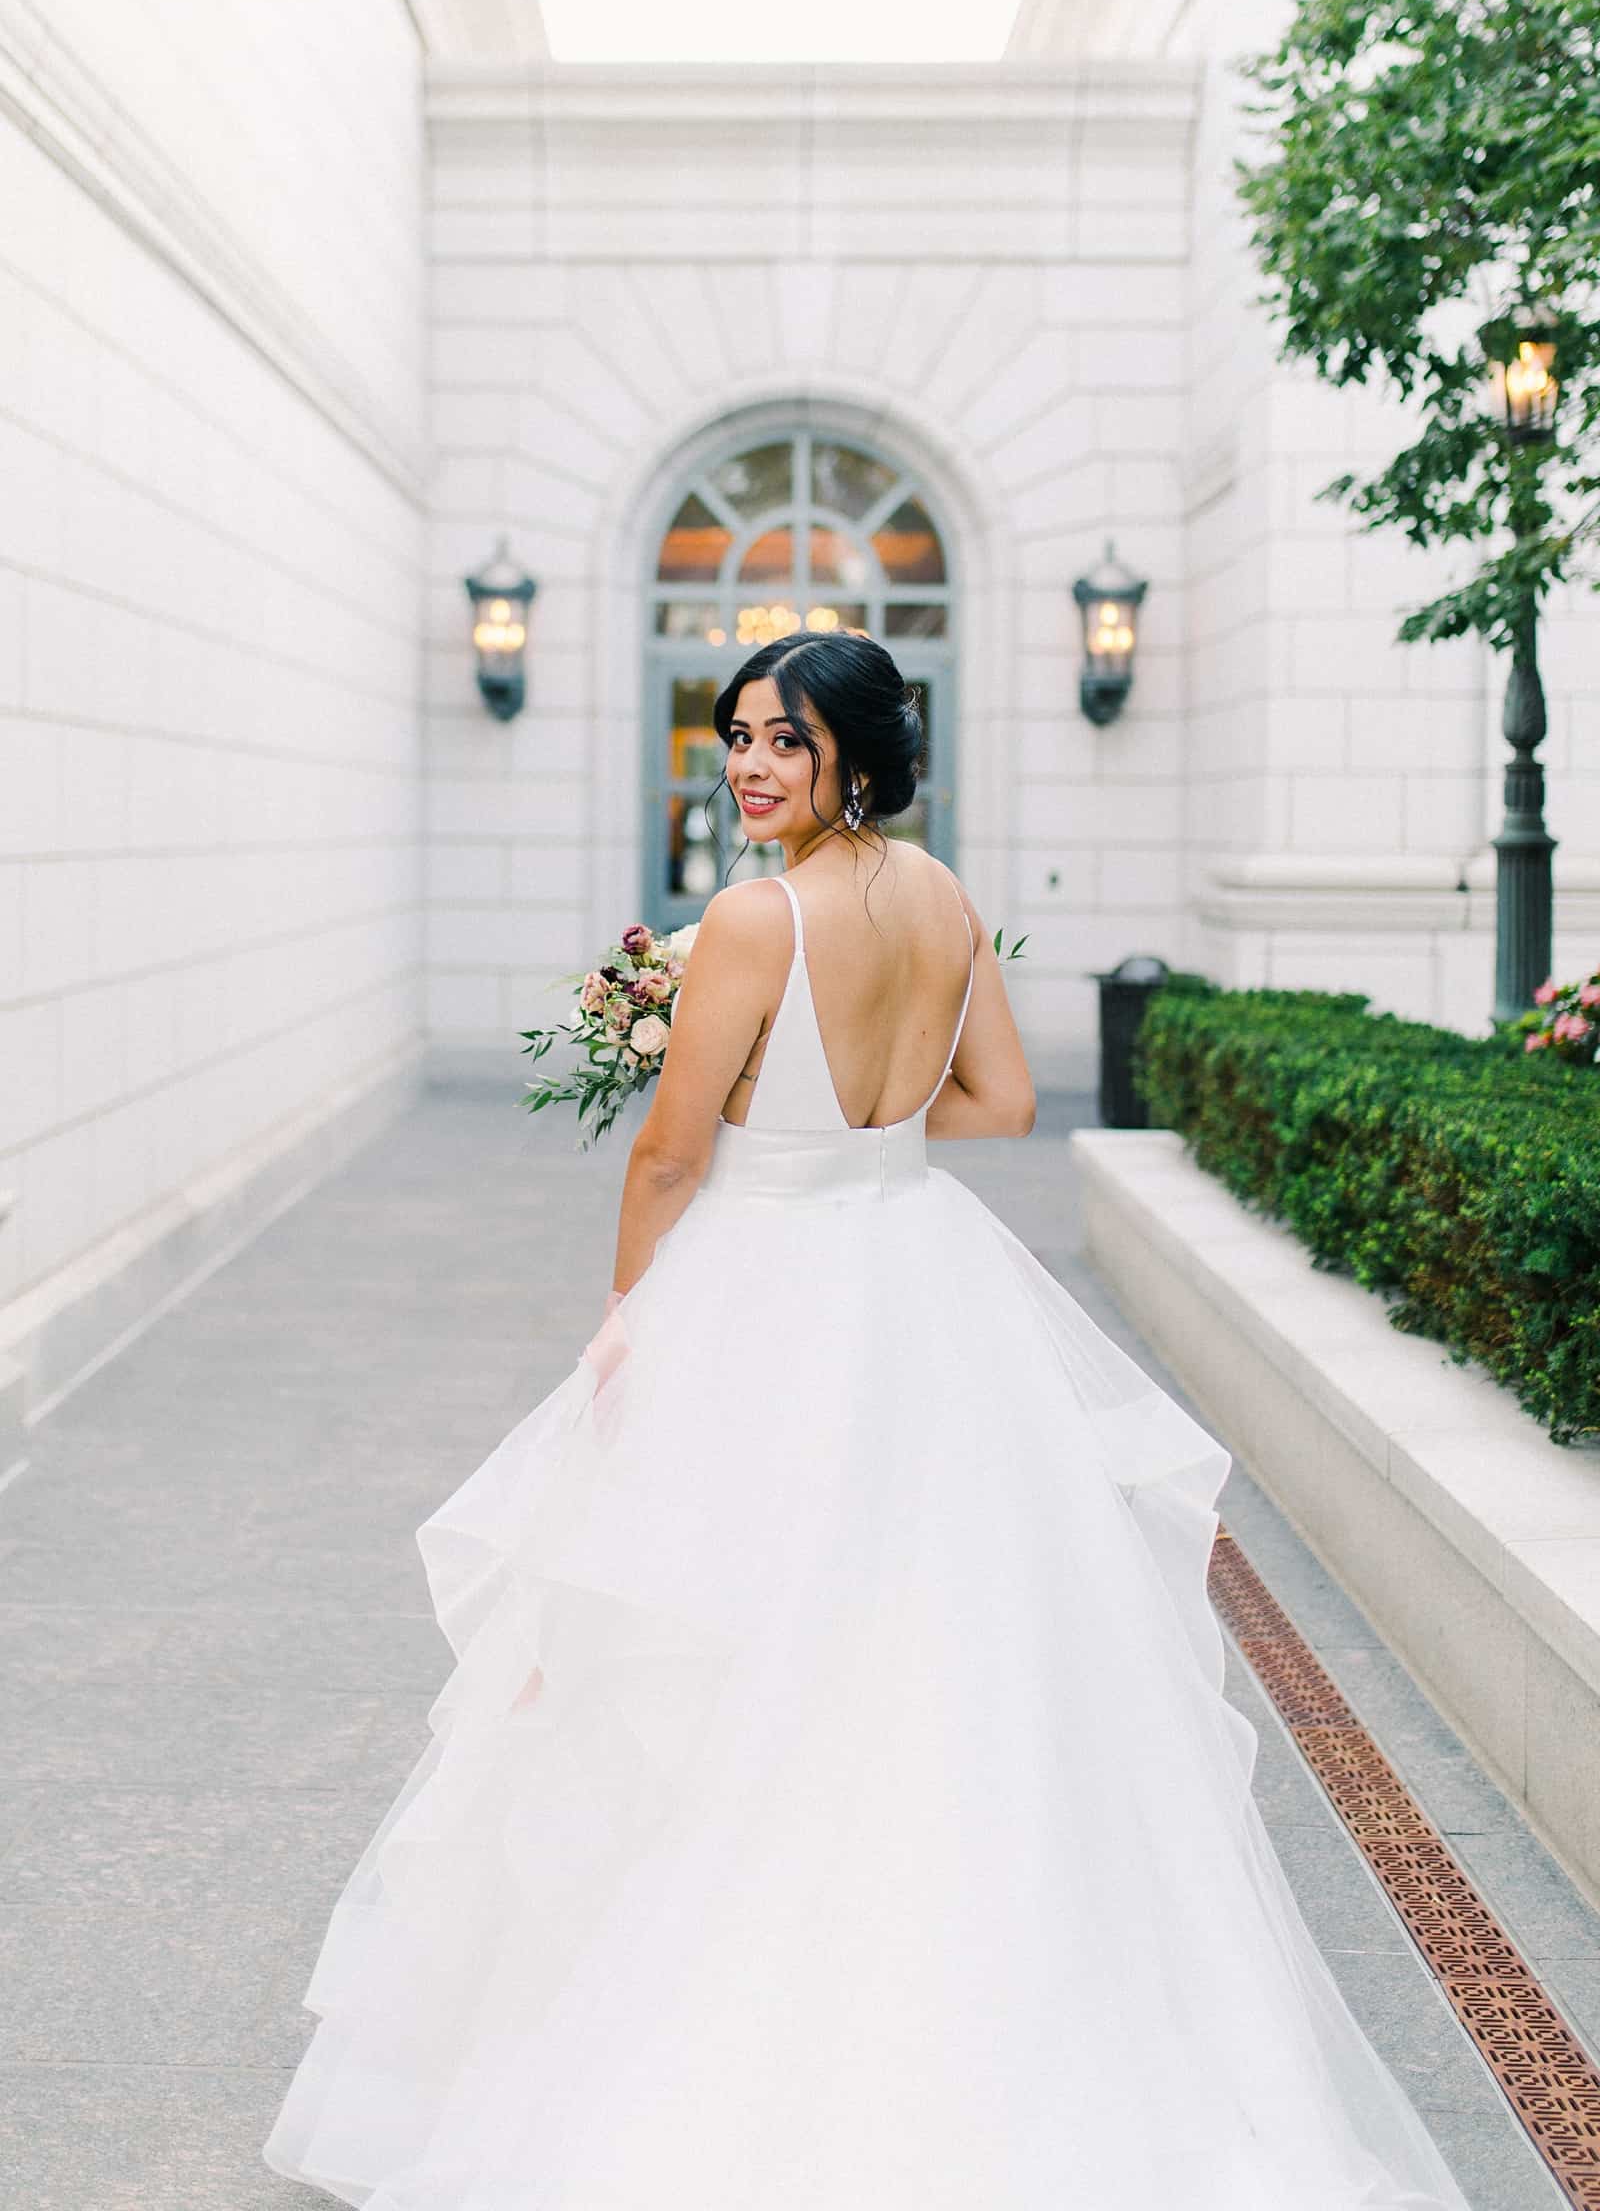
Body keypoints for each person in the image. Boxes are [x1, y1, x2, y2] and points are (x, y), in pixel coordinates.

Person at [264, 631, 1473, 2210]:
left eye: (782, 741)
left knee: (732, 1639)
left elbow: (669, 1157)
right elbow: (1004, 1106)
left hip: (765, 1286)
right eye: (736, 740)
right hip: (921, 1277)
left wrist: (632, 1326)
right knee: (925, 1634)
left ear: (853, 753)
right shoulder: (947, 896)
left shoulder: (754, 920)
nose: (751, 768)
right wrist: (865, 1135)